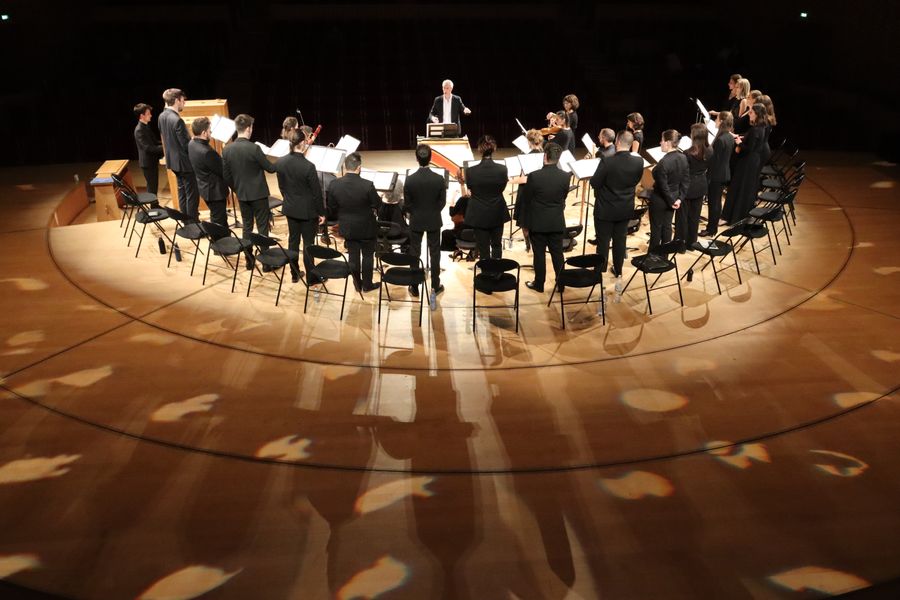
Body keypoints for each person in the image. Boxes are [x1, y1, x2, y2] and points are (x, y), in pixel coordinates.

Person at [590, 130, 644, 292]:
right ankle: (618, 270)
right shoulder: (638, 162)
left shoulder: (607, 162)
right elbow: (635, 181)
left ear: (618, 142)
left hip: (605, 209)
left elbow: (595, 183)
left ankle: (599, 271)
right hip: (625, 208)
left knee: (603, 242)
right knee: (620, 241)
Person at [222, 113, 277, 269]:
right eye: (251, 127)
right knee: (262, 228)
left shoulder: (227, 150)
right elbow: (271, 168)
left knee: (247, 227)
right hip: (259, 195)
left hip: (242, 195)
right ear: (248, 128)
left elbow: (226, 177)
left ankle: (249, 261)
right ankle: (266, 263)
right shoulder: (254, 148)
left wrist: (237, 189)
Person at [517, 143, 570, 293]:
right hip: (556, 221)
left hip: (538, 223)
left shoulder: (534, 176)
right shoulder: (566, 176)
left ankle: (539, 284)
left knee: (539, 254)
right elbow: (563, 197)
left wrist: (524, 224)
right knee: (557, 253)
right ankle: (561, 284)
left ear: (545, 156)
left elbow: (527, 200)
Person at [327, 152, 381, 292]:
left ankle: (357, 284)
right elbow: (377, 204)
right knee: (368, 256)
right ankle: (367, 285)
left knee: (353, 255)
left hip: (348, 227)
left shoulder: (334, 185)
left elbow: (332, 208)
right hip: (367, 228)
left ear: (345, 167)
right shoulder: (367, 185)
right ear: (359, 168)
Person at [275, 131, 325, 284]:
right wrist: (321, 213)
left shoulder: (281, 162)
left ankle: (295, 274)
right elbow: (316, 194)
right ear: (302, 144)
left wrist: (290, 200)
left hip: (290, 209)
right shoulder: (309, 166)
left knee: (293, 242)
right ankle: (311, 277)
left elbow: (281, 187)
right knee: (308, 245)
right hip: (308, 212)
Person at [403, 144, 447, 296]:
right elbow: (442, 202)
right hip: (434, 219)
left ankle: (414, 286)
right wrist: (433, 212)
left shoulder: (409, 180)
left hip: (416, 220)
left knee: (414, 252)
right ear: (431, 158)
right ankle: (435, 285)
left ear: (416, 158)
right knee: (435, 253)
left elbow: (407, 204)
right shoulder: (439, 179)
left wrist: (416, 213)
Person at [463, 136, 510, 260]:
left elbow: (471, 189)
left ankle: (486, 275)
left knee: (483, 248)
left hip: (479, 213)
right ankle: (497, 274)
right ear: (493, 149)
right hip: (497, 211)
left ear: (479, 149)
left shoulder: (471, 171)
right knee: (497, 245)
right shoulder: (502, 169)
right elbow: (502, 188)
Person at [158, 88, 200, 219]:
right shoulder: (177, 120)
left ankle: (186, 221)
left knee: (182, 192)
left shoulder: (161, 116)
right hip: (184, 163)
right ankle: (193, 224)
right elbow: (186, 145)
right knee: (192, 194)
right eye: (183, 101)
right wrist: (194, 141)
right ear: (176, 101)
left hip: (173, 161)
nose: (184, 103)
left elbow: (168, 139)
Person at [724, 104, 768, 224]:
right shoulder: (762, 127)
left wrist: (738, 142)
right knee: (743, 187)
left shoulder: (755, 129)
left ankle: (733, 216)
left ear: (757, 114)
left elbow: (749, 149)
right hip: (753, 161)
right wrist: (740, 138)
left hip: (748, 162)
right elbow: (752, 141)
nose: (749, 114)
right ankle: (737, 216)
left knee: (739, 186)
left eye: (751, 113)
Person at [649, 129, 689, 255]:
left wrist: (672, 201)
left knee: (656, 229)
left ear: (667, 143)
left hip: (660, 200)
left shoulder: (664, 162)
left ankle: (653, 257)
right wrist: (678, 199)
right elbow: (686, 181)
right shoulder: (683, 157)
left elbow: (663, 186)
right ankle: (664, 256)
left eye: (661, 140)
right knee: (667, 227)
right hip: (674, 198)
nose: (660, 143)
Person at [675, 123, 712, 249]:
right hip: (701, 185)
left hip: (688, 187)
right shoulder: (710, 150)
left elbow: (683, 172)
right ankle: (691, 243)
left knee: (682, 217)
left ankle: (680, 245)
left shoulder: (688, 153)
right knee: (694, 217)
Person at [187, 117, 228, 227]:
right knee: (219, 223)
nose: (211, 132)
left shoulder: (191, 144)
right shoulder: (207, 152)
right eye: (210, 130)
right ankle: (219, 243)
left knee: (219, 220)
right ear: (204, 133)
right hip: (215, 193)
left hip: (205, 189)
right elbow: (222, 170)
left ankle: (224, 240)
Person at [699, 111, 734, 237]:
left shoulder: (720, 140)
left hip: (716, 175)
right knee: (716, 202)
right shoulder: (729, 137)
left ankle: (711, 229)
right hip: (723, 173)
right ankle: (712, 227)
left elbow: (714, 161)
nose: (715, 121)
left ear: (722, 122)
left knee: (714, 204)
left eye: (717, 119)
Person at [133, 103, 164, 196]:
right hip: (147, 163)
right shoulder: (139, 130)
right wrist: (165, 148)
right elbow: (147, 148)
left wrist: (165, 143)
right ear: (142, 116)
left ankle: (155, 205)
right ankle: (153, 208)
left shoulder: (146, 126)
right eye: (148, 113)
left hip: (152, 161)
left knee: (154, 185)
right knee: (152, 186)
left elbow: (154, 142)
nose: (151, 115)